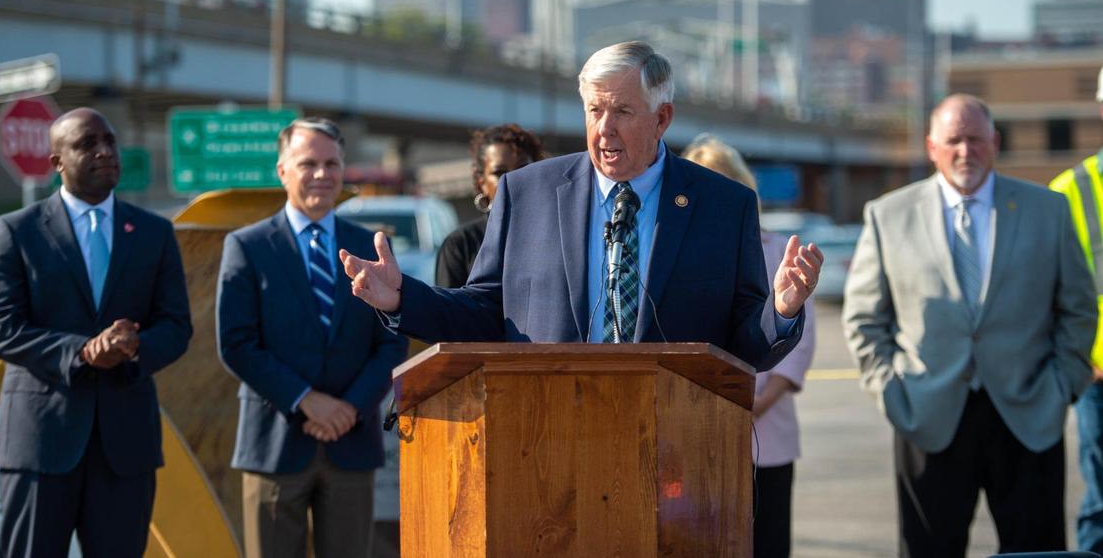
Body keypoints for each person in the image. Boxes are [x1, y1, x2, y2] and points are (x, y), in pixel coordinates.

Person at [341, 41, 823, 372]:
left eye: (623, 112)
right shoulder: (526, 193)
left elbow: (745, 344)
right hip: (547, 438)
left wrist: (780, 310)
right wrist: (404, 297)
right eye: (594, 110)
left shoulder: (722, 205)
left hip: (675, 448)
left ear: (662, 119)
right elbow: (484, 311)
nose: (604, 129)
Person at [842, 93, 1096, 557]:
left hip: (1028, 413)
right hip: (926, 415)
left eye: (976, 139)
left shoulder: (1047, 210)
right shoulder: (888, 215)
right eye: (953, 140)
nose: (965, 151)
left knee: (1036, 551)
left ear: (995, 143)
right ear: (931, 147)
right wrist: (890, 390)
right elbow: (864, 318)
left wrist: (1064, 384)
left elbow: (1078, 308)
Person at [0, 107, 192, 558]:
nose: (104, 152)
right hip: (39, 445)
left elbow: (176, 326)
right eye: (87, 144)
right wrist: (81, 353)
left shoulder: (153, 232)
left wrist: (135, 348)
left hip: (125, 446)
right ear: (56, 162)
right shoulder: (17, 231)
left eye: (110, 142)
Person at [216, 117, 408, 558]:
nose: (322, 174)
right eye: (308, 164)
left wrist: (350, 408)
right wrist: (306, 399)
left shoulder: (371, 247)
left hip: (351, 441)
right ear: (282, 170)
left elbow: (392, 340)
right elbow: (237, 344)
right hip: (275, 444)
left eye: (332, 163)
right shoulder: (247, 247)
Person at [683, 134, 817, 558]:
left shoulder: (779, 249)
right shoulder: (682, 256)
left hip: (767, 433)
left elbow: (799, 338)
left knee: (768, 542)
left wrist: (751, 404)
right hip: (692, 432)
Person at [1050, 64, 1103, 554]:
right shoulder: (1070, 188)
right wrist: (1080, 358)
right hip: (1097, 373)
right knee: (1102, 498)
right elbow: (1045, 287)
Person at [435, 123, 546, 288]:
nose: (512, 180)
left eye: (523, 170)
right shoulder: (459, 245)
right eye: (499, 173)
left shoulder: (558, 236)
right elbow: (443, 312)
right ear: (482, 183)